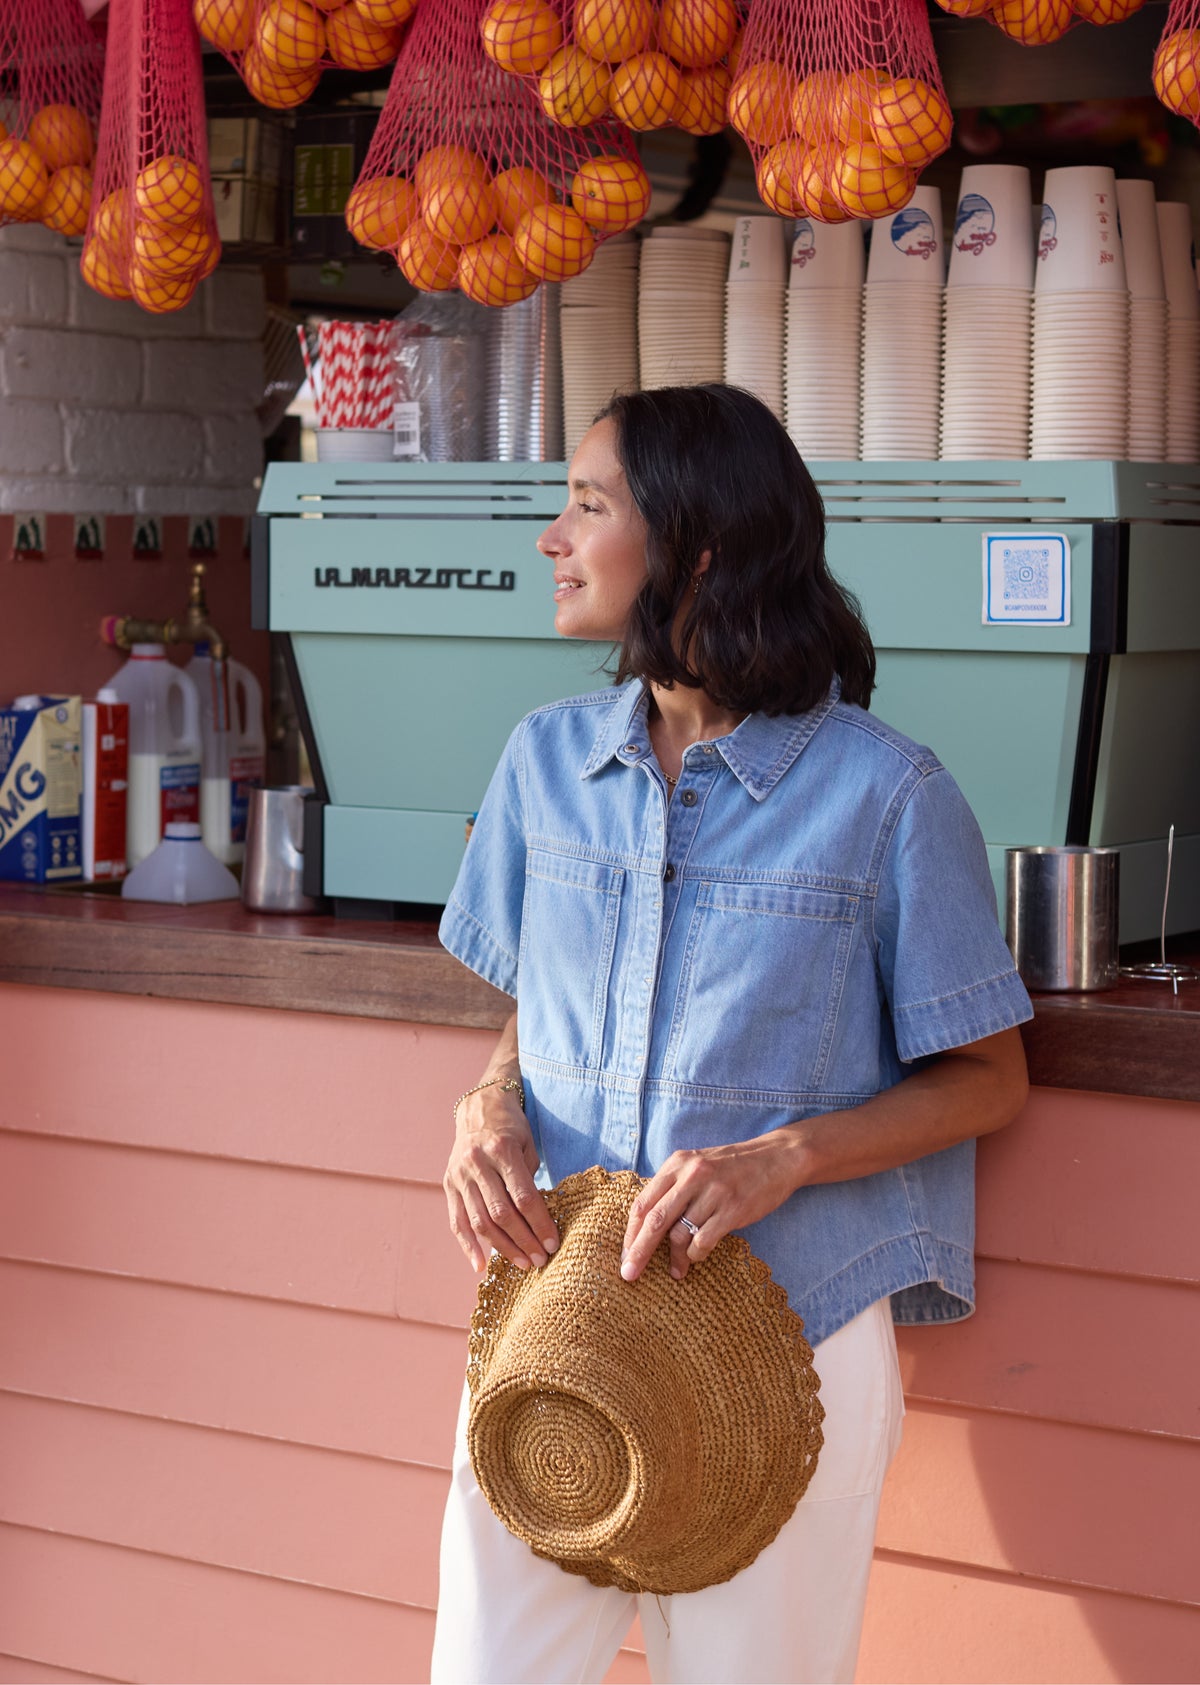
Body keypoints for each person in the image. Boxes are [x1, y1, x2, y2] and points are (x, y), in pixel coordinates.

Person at [431, 384, 1032, 1685]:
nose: (554, 536)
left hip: (787, 1331)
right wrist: (491, 1106)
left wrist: (787, 1156)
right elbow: (536, 1010)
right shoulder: (543, 766)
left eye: (588, 504)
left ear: (696, 547)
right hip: (560, 1335)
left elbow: (988, 1077)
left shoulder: (888, 796)